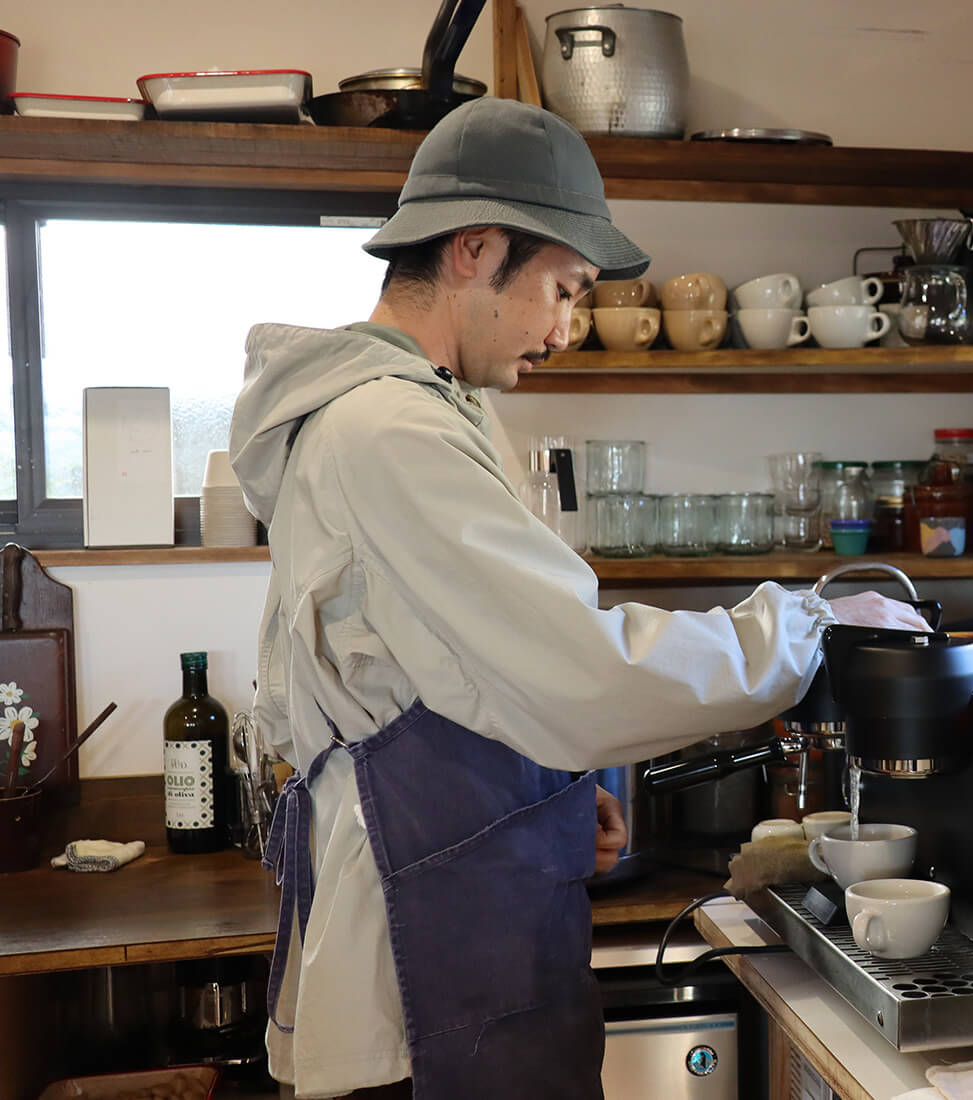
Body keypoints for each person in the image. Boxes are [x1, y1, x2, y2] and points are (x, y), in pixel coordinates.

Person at [228, 97, 928, 1100]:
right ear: (475, 250)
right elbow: (584, 667)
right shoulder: (389, 430)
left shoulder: (410, 409)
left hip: (446, 887)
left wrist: (542, 788)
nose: (565, 329)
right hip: (419, 965)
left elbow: (451, 665)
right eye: (564, 287)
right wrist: (803, 624)